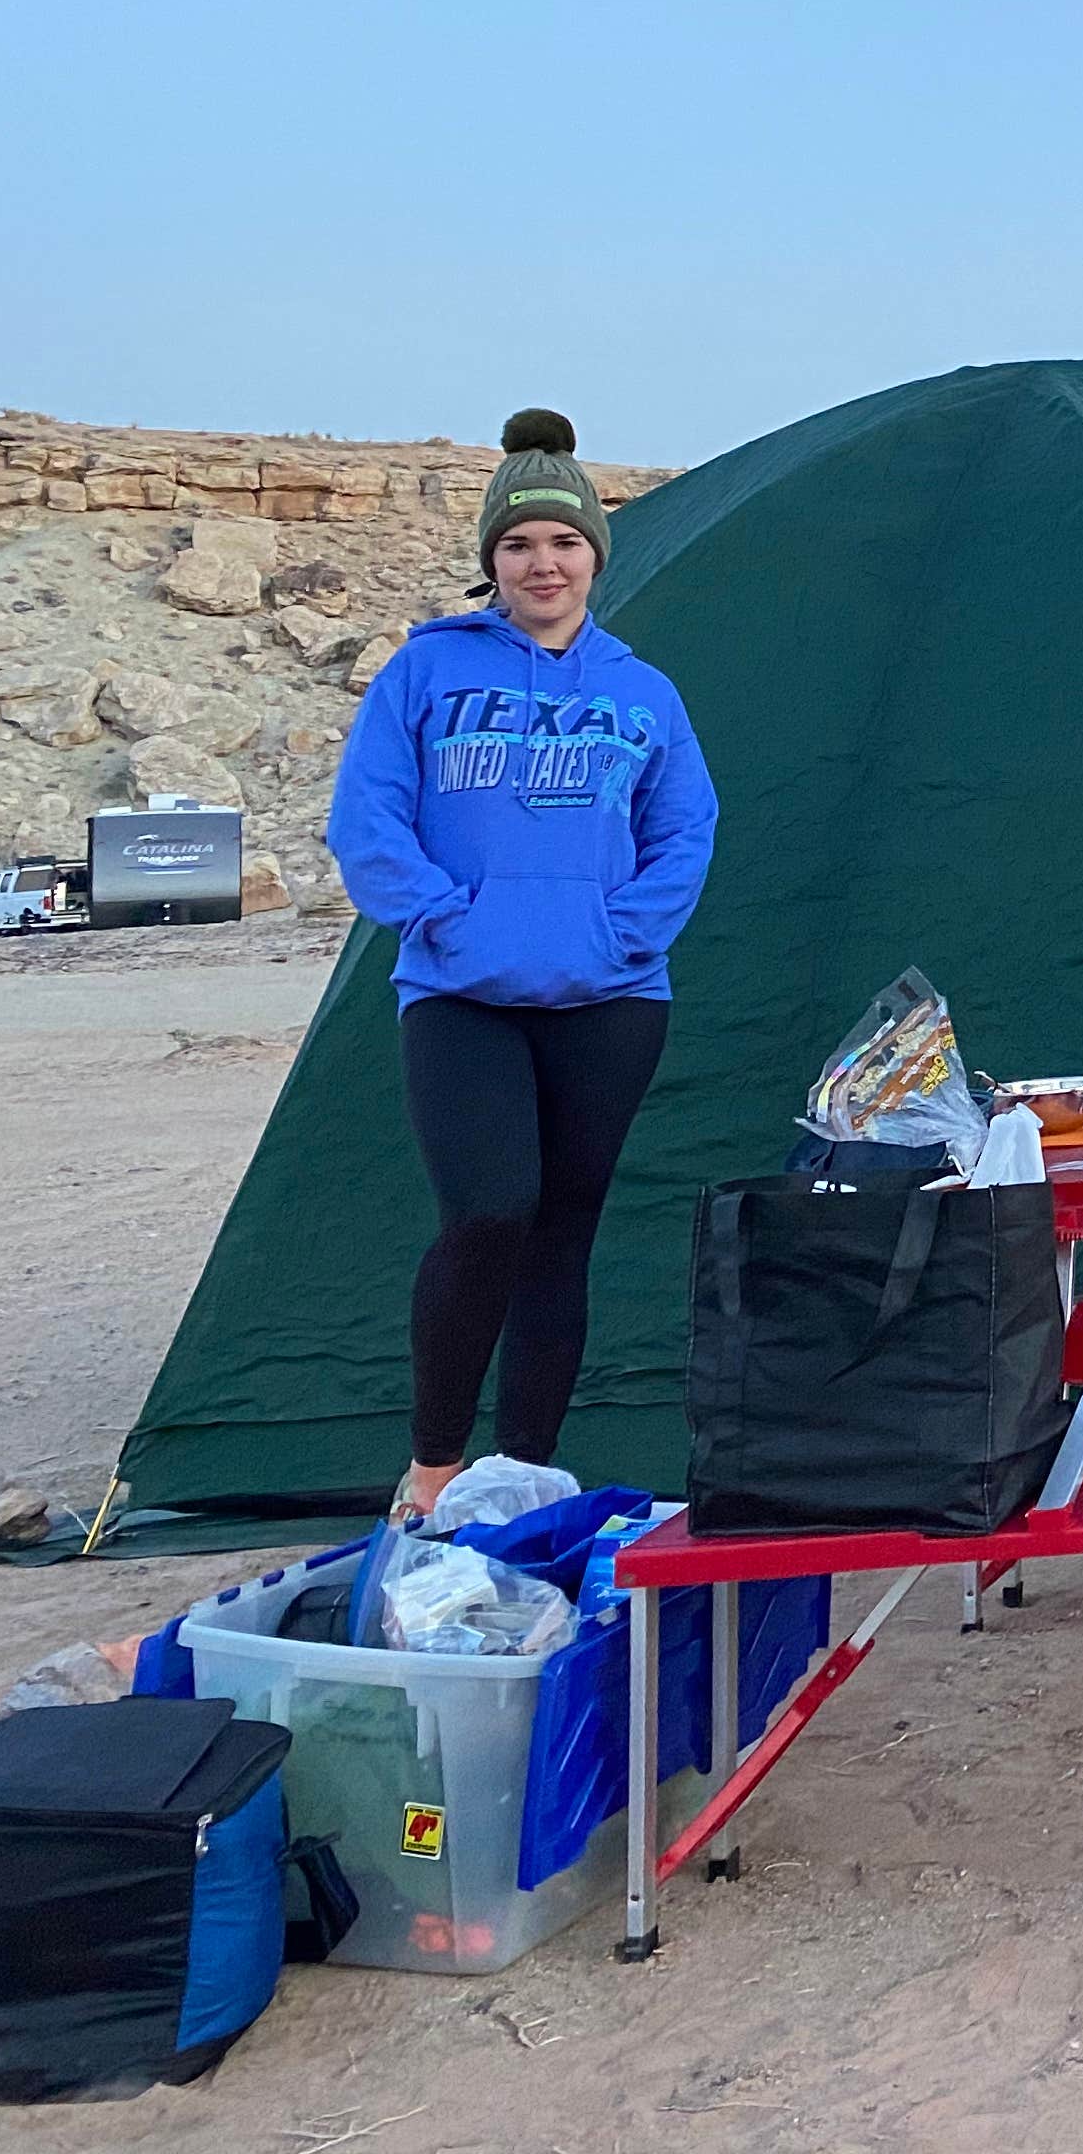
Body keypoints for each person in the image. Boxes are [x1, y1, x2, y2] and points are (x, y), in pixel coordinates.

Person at [325, 409, 718, 1524]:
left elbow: (685, 827)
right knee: (490, 1211)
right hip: (459, 995)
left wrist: (621, 933)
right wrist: (447, 917)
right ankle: (436, 1467)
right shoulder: (426, 669)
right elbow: (368, 822)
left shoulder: (642, 690)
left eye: (563, 543)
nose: (543, 564)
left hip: (611, 999)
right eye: (518, 545)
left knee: (565, 1231)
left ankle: (524, 1474)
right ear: (492, 559)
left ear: (595, 554)